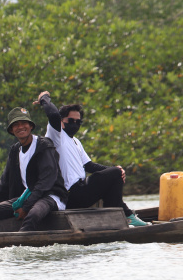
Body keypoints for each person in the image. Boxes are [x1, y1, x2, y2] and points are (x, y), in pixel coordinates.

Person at [35, 91, 148, 226]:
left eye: (78, 122)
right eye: (71, 121)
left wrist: (115, 169)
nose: (75, 124)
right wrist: (44, 98)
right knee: (115, 174)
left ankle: (119, 216)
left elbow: (89, 166)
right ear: (62, 121)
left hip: (82, 189)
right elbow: (52, 114)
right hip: (70, 193)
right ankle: (124, 215)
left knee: (114, 175)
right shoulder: (57, 136)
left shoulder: (76, 141)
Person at [0, 107, 67, 232]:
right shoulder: (15, 151)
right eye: (16, 125)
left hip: (50, 196)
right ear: (12, 130)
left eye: (24, 123)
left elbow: (46, 182)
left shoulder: (44, 146)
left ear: (30, 126)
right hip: (28, 197)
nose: (20, 127)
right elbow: (3, 184)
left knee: (32, 215)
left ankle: (20, 248)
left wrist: (26, 207)